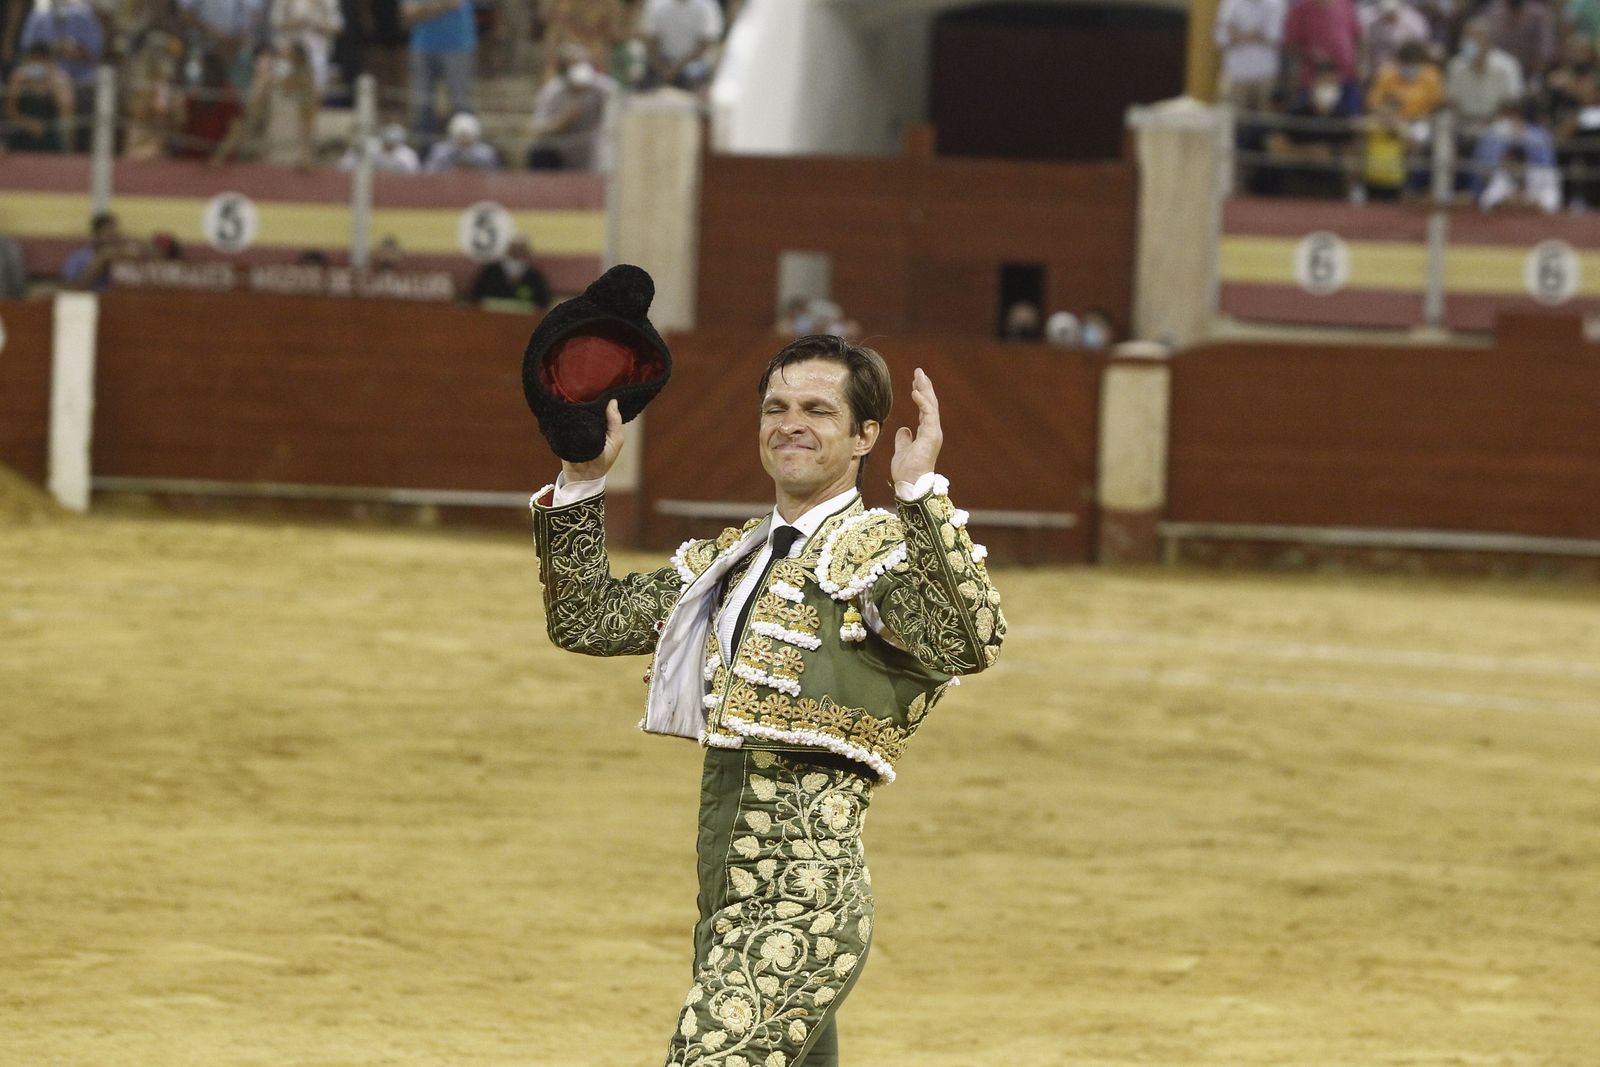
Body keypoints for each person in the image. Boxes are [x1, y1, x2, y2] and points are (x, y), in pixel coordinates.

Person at [528, 328, 1004, 1067]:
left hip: (802, 904)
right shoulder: (732, 559)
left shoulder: (878, 551)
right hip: (723, 897)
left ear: (865, 436)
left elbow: (968, 640)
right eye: (777, 407)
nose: (791, 423)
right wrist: (582, 478)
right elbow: (588, 619)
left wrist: (919, 494)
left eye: (818, 409)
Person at [18, 0, 104, 147]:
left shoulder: (84, 14)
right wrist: (52, 51)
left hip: (81, 82)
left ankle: (72, 148)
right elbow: (27, 50)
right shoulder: (38, 15)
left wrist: (73, 50)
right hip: (43, 80)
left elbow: (96, 51)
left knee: (73, 97)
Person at [525, 43, 616, 170]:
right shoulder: (552, 91)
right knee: (539, 152)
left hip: (593, 148)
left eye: (583, 62)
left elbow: (621, 105)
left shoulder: (603, 88)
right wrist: (563, 121)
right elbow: (536, 129)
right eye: (574, 64)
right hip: (562, 150)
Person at [402, 0, 474, 137]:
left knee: (460, 101)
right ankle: (424, 145)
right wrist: (440, 6)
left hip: (458, 45)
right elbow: (408, 14)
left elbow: (454, 3)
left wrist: (425, 10)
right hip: (422, 46)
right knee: (422, 103)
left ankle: (467, 143)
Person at [1446, 18, 1525, 137]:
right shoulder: (1456, 66)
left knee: (1503, 131)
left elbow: (1512, 103)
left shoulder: (1507, 65)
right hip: (1464, 120)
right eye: (1467, 38)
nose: (1469, 43)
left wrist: (1487, 123)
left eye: (1475, 38)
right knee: (1443, 122)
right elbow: (1451, 102)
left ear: (1488, 42)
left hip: (1496, 121)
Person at [1214, 0, 1286, 112]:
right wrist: (1255, 34)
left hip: (1265, 73)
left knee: (1266, 117)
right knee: (1237, 117)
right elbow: (1221, 37)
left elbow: (1274, 37)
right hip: (1237, 74)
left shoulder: (1276, 3)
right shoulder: (1231, 3)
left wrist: (1236, 33)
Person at [3, 43, 74, 152]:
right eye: (35, 60)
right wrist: (29, 124)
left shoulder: (57, 79)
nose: (38, 64)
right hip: (21, 135)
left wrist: (52, 84)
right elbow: (10, 112)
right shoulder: (18, 77)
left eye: (42, 60)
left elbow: (67, 110)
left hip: (49, 136)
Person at [640, 0, 723, 90]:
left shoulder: (708, 5)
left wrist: (676, 69)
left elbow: (705, 44)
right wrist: (661, 67)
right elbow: (650, 39)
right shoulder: (655, 3)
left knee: (694, 74)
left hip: (693, 63)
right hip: (662, 60)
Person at [1281, 0, 1363, 90]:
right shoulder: (1300, 9)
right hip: (1314, 80)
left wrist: (1361, 63)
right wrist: (1311, 55)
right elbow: (1290, 46)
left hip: (1348, 77)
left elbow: (1359, 35)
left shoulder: (1345, 5)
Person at [270, 0, 342, 93]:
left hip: (318, 50)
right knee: (286, 85)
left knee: (317, 87)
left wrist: (318, 25)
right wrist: (297, 22)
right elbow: (276, 21)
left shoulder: (329, 2)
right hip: (291, 49)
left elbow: (337, 26)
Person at [467, 234, 550, 309]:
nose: (517, 252)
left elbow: (543, 301)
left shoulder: (534, 275)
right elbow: (475, 295)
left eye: (521, 249)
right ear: (508, 249)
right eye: (514, 249)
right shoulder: (491, 271)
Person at [61, 212, 139, 291]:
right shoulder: (80, 258)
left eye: (114, 232)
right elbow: (69, 287)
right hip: (86, 296)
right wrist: (101, 259)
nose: (113, 237)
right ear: (96, 234)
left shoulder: (120, 252)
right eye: (108, 233)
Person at [1479, 142, 1562, 208]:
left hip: (1537, 220)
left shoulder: (1545, 175)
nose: (1505, 166)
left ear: (1521, 162)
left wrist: (1528, 202)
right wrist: (1506, 201)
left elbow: (1552, 203)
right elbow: (1486, 201)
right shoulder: (1502, 175)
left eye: (1510, 163)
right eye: (1504, 162)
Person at [423, 109, 497, 169]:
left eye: (467, 137)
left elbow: (493, 175)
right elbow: (429, 172)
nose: (463, 140)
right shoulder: (440, 152)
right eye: (460, 136)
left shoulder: (485, 154)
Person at [339, 119, 421, 171]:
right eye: (386, 142)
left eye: (392, 143)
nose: (389, 145)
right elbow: (346, 164)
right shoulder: (370, 146)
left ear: (399, 143)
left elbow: (413, 175)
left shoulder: (407, 155)